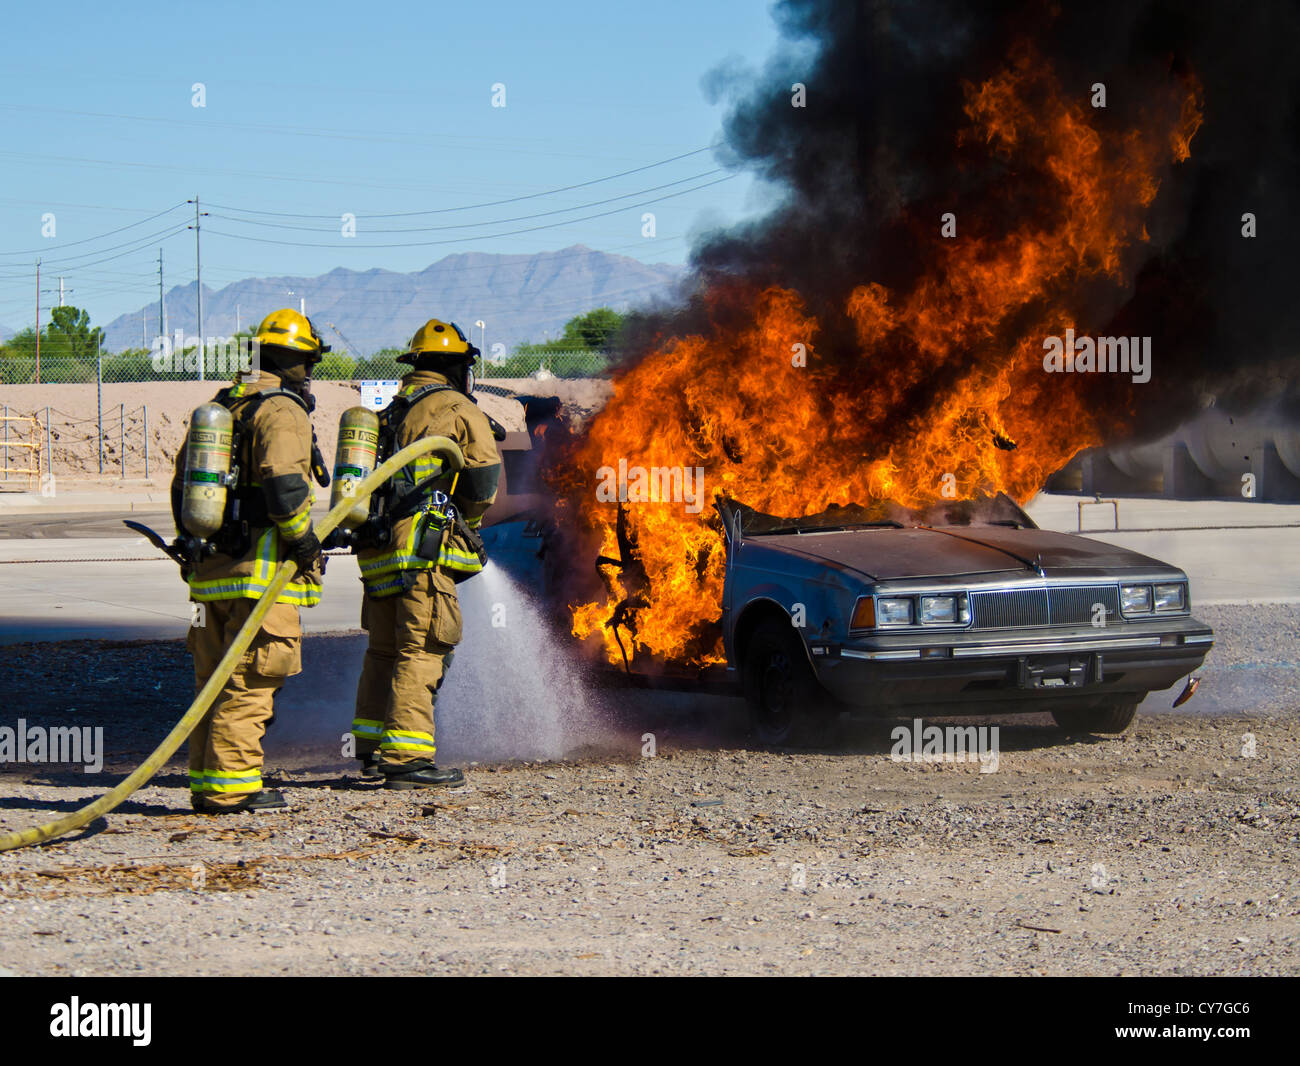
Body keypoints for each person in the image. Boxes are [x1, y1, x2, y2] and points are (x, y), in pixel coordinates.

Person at [171, 308, 328, 813]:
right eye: (307, 362)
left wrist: (189, 549)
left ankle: (207, 781)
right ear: (291, 360)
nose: (310, 373)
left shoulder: (222, 404)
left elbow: (181, 485)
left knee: (213, 678)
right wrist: (304, 540)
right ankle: (231, 789)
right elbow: (284, 484)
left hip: (212, 571)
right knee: (249, 681)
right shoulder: (282, 409)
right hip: (259, 576)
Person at [346, 318, 501, 789]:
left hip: (377, 551)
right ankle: (407, 759)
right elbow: (482, 480)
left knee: (384, 651)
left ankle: (371, 750)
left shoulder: (389, 412)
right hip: (421, 550)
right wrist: (467, 525)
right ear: (456, 367)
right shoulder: (455, 406)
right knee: (424, 647)